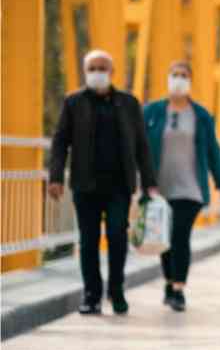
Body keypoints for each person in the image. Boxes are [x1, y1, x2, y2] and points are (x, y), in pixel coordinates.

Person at [48, 49, 159, 316]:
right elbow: (60, 141)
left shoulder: (129, 103)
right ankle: (91, 296)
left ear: (112, 72)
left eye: (102, 68)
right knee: (88, 241)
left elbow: (142, 146)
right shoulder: (73, 103)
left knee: (118, 238)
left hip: (119, 185)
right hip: (85, 185)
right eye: (92, 68)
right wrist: (55, 177)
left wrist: (149, 182)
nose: (97, 73)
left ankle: (116, 290)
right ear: (86, 72)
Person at [144, 61, 220, 312]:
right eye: (175, 75)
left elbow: (213, 151)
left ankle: (179, 289)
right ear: (167, 78)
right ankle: (169, 283)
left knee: (180, 236)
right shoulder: (152, 112)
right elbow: (138, 145)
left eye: (183, 76)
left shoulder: (201, 115)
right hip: (158, 188)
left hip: (190, 189)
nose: (178, 79)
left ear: (190, 81)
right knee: (165, 239)